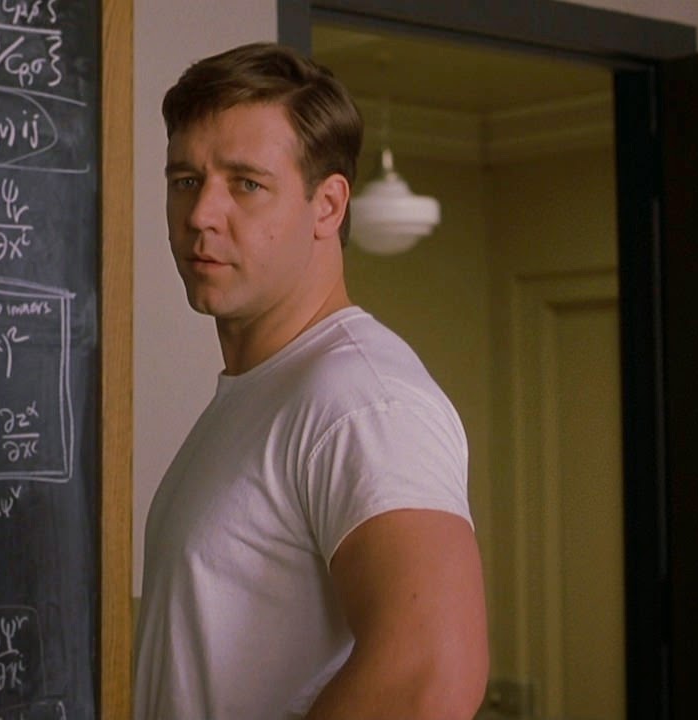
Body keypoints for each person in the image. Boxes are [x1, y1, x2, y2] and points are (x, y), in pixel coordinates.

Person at [134, 42, 489, 719]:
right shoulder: (269, 390)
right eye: (185, 180)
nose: (201, 214)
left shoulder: (362, 400)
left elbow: (432, 677)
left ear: (327, 206)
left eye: (246, 183)